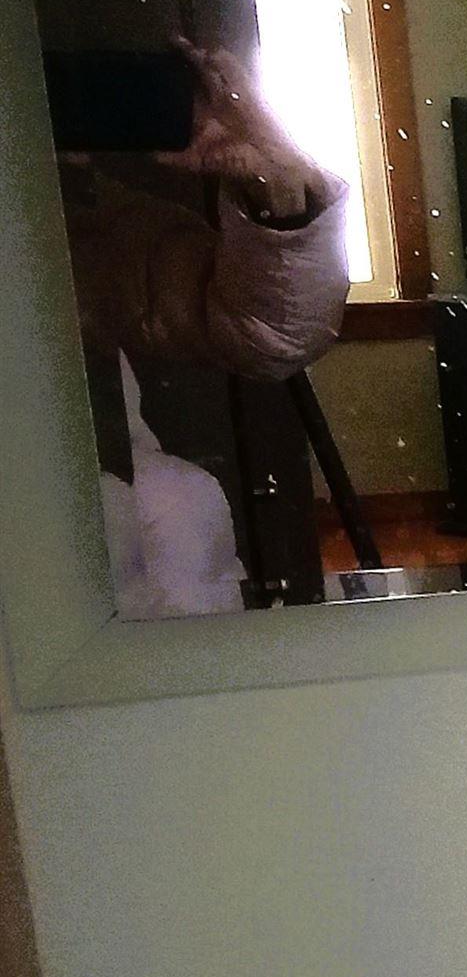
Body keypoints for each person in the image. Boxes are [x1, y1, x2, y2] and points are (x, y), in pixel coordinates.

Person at [58, 41, 351, 617]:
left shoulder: (86, 230)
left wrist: (276, 177)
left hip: (128, 610)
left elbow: (269, 333)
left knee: (177, 503)